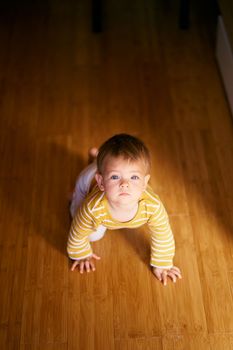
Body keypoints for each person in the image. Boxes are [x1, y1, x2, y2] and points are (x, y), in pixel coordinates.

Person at [67, 134, 182, 286]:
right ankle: (81, 186)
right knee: (91, 233)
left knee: (105, 166)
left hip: (101, 171)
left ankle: (98, 160)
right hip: (87, 181)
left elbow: (163, 233)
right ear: (101, 182)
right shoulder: (92, 207)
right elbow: (77, 231)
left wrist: (163, 264)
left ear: (145, 183)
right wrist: (81, 254)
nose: (124, 184)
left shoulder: (152, 206)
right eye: (115, 177)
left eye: (134, 177)